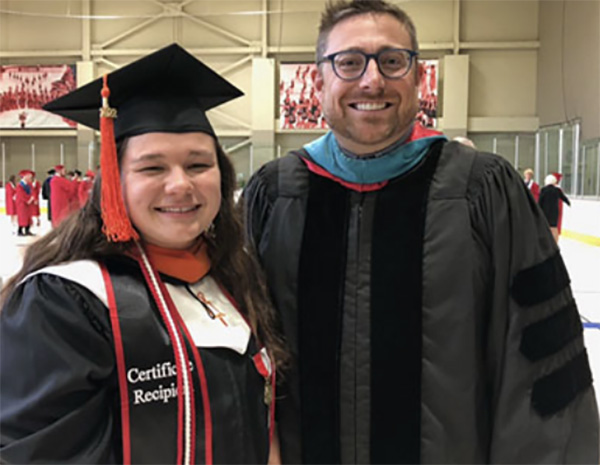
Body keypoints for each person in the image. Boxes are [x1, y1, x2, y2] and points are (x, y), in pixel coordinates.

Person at [242, 0, 599, 463]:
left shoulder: (483, 191)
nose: (372, 80)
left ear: (418, 78)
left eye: (392, 61)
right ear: (318, 80)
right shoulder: (274, 195)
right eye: (349, 62)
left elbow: (539, 362)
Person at [1, 44, 286, 464]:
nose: (180, 186)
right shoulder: (67, 301)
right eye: (152, 168)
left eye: (198, 166)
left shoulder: (233, 277)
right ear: (113, 183)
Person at [538, 173, 571, 243]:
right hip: (554, 212)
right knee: (554, 228)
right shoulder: (557, 190)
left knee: (545, 227)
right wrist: (568, 203)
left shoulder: (543, 190)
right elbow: (563, 197)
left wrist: (538, 208)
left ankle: (545, 242)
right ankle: (555, 242)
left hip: (545, 211)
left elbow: (540, 200)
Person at [14, 169, 34, 237]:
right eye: (29, 176)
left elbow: (32, 192)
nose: (30, 178)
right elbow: (20, 194)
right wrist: (28, 200)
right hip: (22, 204)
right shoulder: (20, 185)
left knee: (28, 217)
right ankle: (20, 230)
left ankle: (27, 230)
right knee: (22, 217)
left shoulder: (29, 184)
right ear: (24, 176)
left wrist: (31, 198)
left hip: (28, 203)